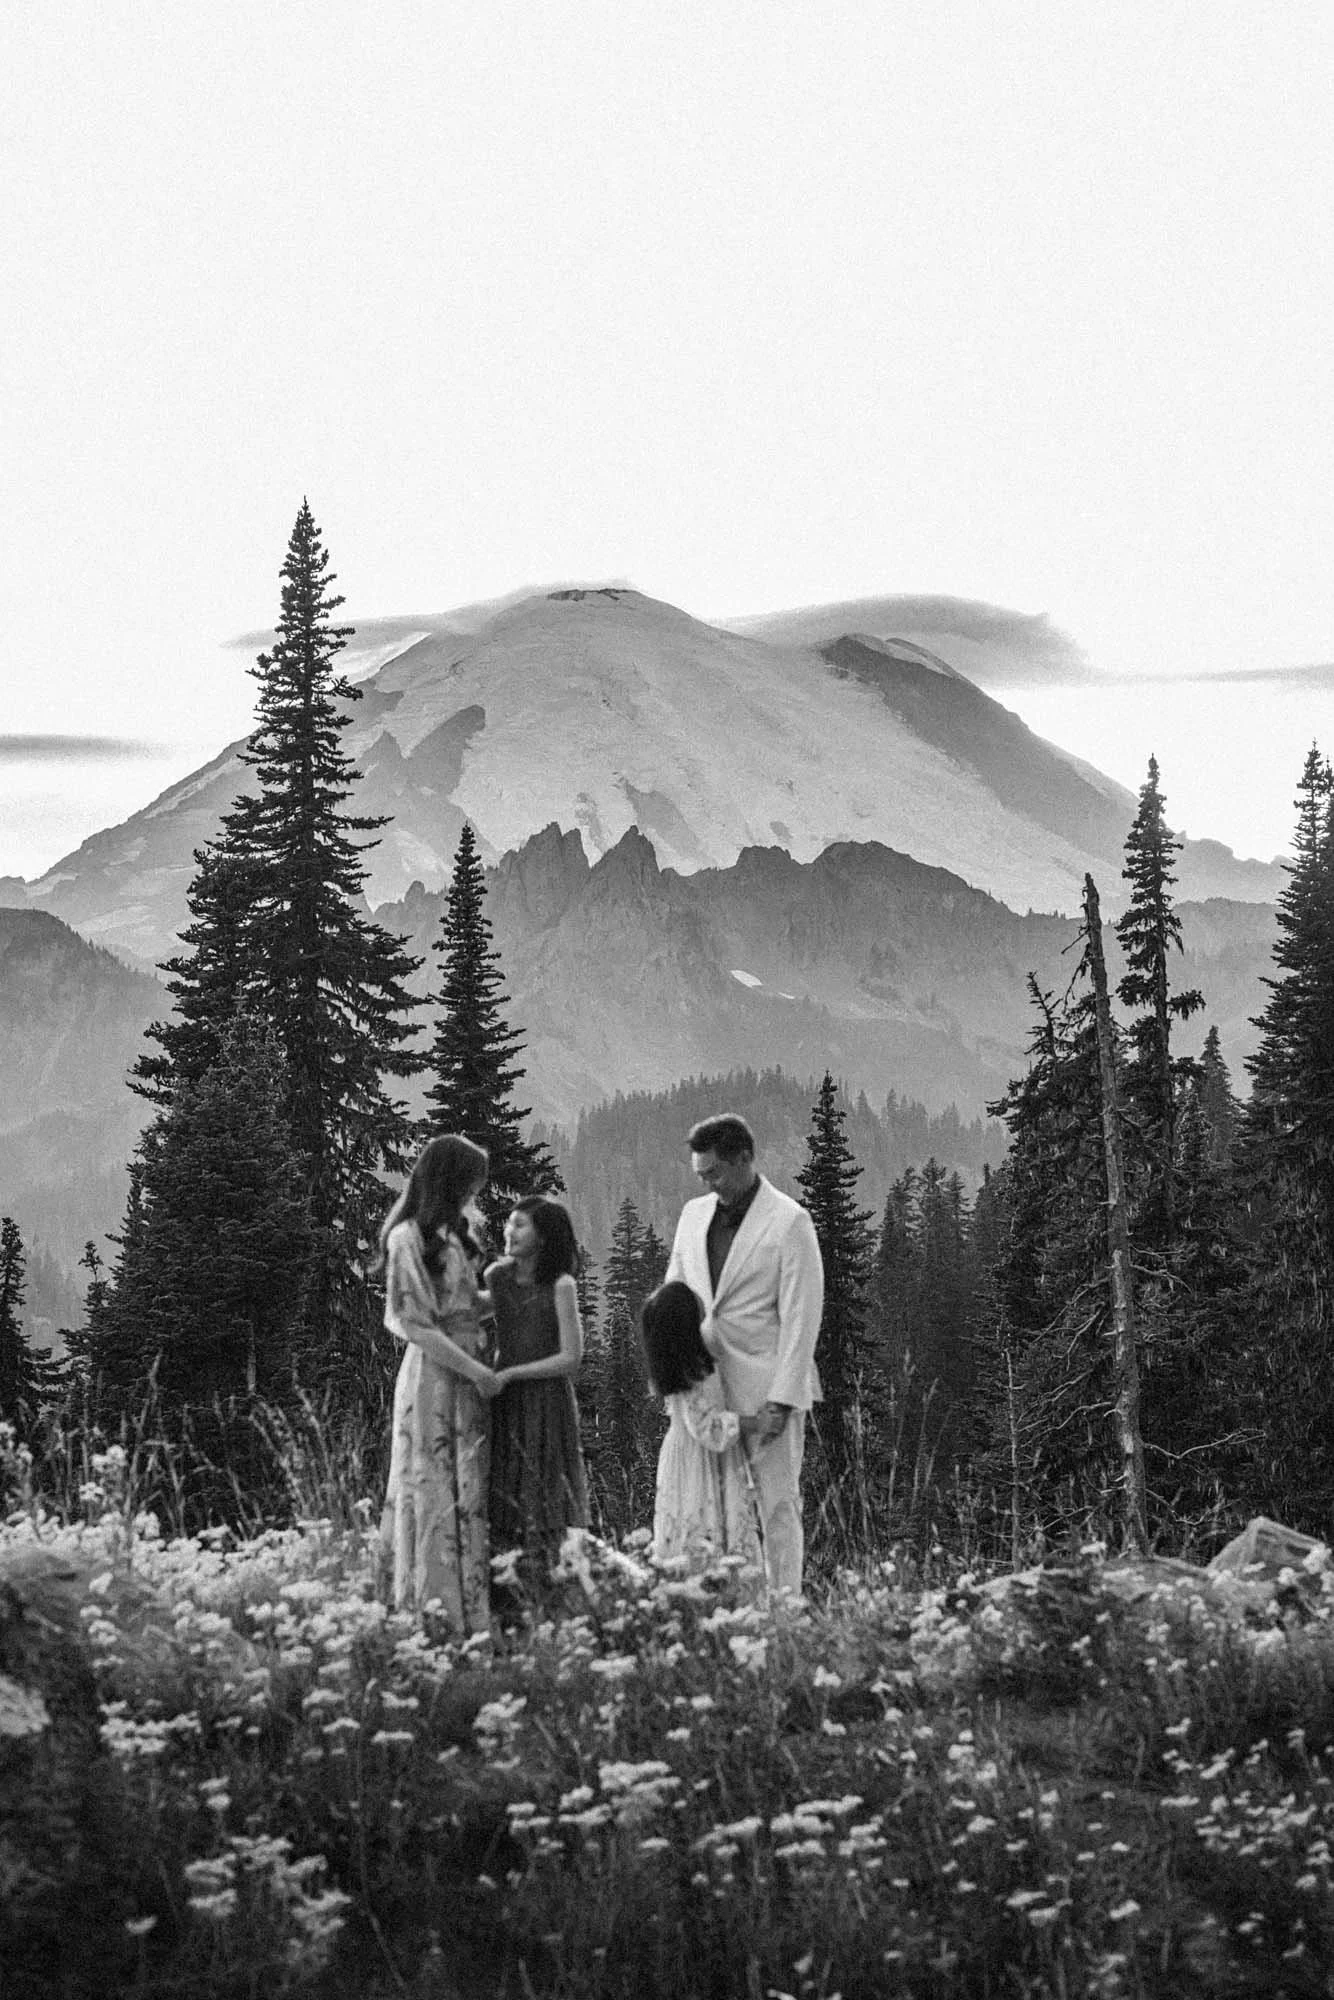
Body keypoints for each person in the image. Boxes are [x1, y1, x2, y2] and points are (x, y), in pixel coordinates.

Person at [665, 1113, 823, 1595]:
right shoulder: (693, 1215)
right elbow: (673, 1292)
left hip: (765, 1390)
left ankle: (786, 1612)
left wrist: (783, 1398)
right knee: (715, 1508)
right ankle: (732, 1610)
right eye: (701, 1176)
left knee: (776, 1506)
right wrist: (675, 1373)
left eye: (715, 1172)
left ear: (745, 1159)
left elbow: (802, 1316)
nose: (709, 1183)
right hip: (705, 1389)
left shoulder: (789, 1221)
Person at [378, 1134, 500, 1631]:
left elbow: (466, 1308)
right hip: (434, 1378)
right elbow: (417, 1324)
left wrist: (513, 1290)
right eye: (471, 1183)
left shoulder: (452, 1238)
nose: (475, 1194)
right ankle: (434, 1616)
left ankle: (470, 1614)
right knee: (432, 1488)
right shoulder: (406, 1238)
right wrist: (475, 1370)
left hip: (470, 1373)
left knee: (468, 1488)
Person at [485, 1196, 589, 1595]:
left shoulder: (561, 1285)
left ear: (544, 1237)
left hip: (547, 1402)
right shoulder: (498, 1277)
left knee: (544, 1494)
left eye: (520, 1225)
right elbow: (471, 1313)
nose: (509, 1232)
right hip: (506, 1402)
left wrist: (512, 1372)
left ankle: (547, 1585)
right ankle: (506, 1589)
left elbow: (570, 1358)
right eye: (509, 1224)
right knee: (504, 1490)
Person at [641, 1279, 764, 1575]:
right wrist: (754, 1422)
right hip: (700, 1462)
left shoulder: (674, 1371)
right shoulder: (692, 1375)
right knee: (703, 1523)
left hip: (684, 1456)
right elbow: (709, 1430)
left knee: (686, 1526)